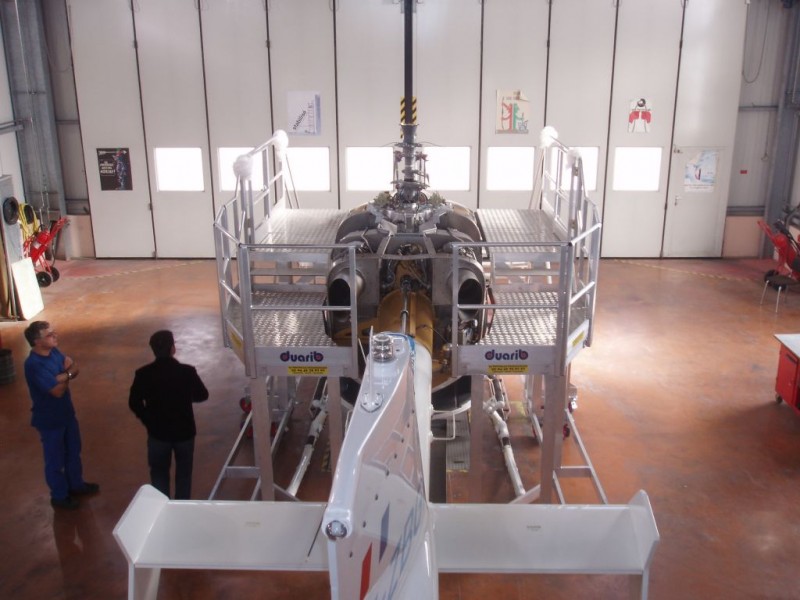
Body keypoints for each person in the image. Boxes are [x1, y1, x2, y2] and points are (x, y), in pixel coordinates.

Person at [23, 321, 99, 510]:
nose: (55, 336)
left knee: (74, 452)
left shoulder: (54, 352)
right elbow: (57, 391)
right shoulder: (34, 365)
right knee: (55, 459)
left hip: (66, 414)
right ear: (36, 342)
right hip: (50, 420)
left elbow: (75, 368)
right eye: (49, 335)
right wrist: (67, 373)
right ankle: (59, 495)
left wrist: (64, 375)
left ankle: (76, 484)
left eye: (53, 333)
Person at [128, 330, 208, 499]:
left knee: (158, 475)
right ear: (173, 348)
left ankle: (161, 510)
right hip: (184, 433)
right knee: (184, 475)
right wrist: (186, 397)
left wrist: (147, 419)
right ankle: (181, 509)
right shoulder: (187, 372)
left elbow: (134, 403)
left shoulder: (143, 374)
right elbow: (203, 395)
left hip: (158, 434)